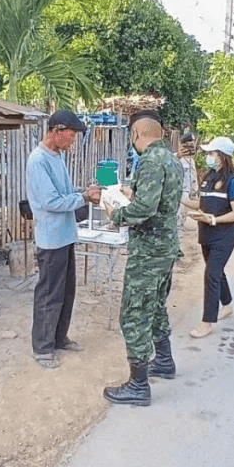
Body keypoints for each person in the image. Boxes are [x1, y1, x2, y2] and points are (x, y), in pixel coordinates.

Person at [103, 110, 182, 406]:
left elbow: (145, 208)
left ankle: (138, 385)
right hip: (166, 248)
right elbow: (159, 199)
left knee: (134, 314)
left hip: (148, 251)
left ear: (137, 134)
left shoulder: (150, 160)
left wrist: (117, 213)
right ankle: (163, 360)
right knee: (156, 307)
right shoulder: (171, 159)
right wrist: (131, 191)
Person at [26, 109, 101, 370]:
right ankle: (43, 347)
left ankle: (59, 337)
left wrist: (83, 190)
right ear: (55, 132)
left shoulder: (56, 156)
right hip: (50, 238)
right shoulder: (38, 160)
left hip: (65, 235)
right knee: (49, 293)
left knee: (67, 290)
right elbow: (51, 201)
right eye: (70, 136)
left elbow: (65, 192)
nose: (72, 142)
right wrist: (84, 198)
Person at [179, 137, 234, 339]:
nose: (208, 157)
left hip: (223, 237)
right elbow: (202, 202)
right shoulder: (209, 177)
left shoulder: (233, 182)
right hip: (206, 233)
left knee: (211, 275)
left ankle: (207, 322)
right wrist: (179, 198)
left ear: (223, 156)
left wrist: (215, 220)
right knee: (216, 271)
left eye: (211, 153)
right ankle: (227, 304)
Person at [176, 132, 199, 234]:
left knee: (182, 221)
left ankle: (178, 247)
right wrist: (178, 155)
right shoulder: (176, 159)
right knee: (177, 223)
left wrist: (195, 194)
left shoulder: (191, 161)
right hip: (179, 195)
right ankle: (177, 248)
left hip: (188, 196)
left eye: (192, 144)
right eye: (188, 144)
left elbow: (193, 179)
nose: (191, 146)